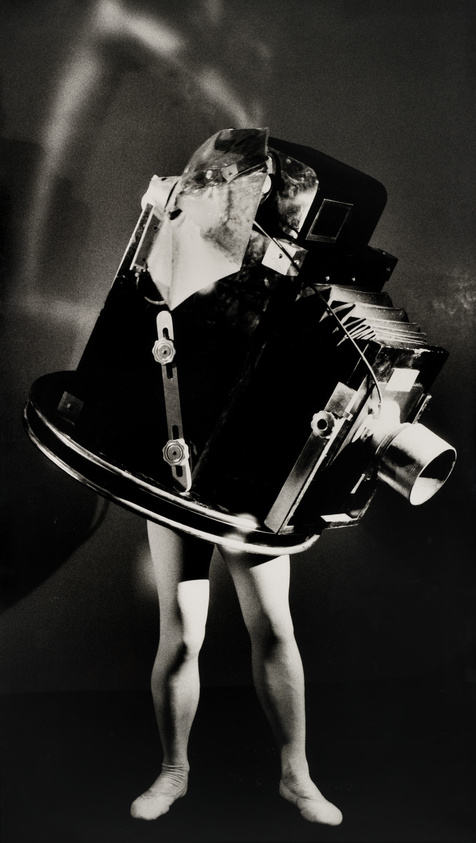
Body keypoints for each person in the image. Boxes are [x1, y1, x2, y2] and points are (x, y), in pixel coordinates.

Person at [130, 521, 343, 826]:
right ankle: (174, 772)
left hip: (253, 496)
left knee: (273, 627)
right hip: (178, 488)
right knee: (183, 638)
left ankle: (296, 776)